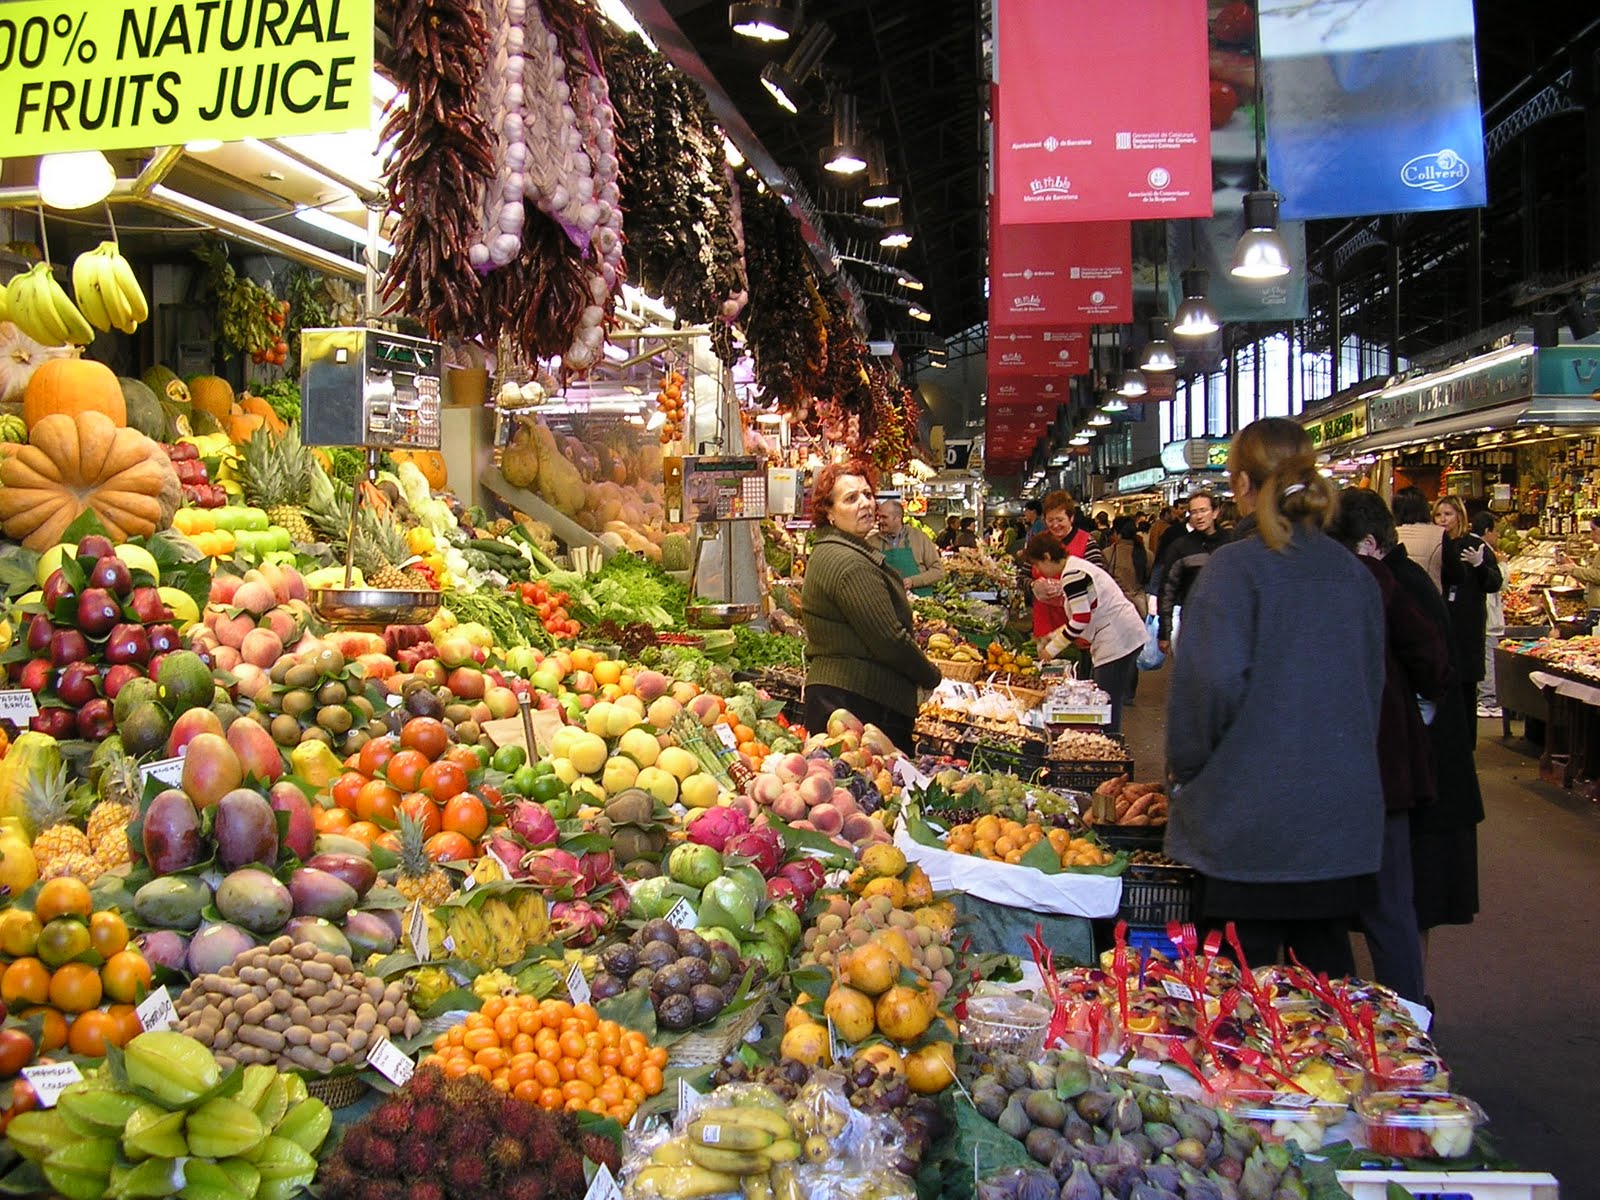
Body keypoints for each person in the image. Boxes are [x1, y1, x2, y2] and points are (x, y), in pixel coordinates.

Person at [1165, 418, 1385, 978]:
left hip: (1248, 828)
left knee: (1239, 1003)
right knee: (1328, 1001)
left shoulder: (1235, 569)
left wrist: (1187, 776)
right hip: (1338, 826)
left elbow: (1207, 689)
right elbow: (1371, 690)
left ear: (1240, 484)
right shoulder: (1353, 574)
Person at [1328, 490, 1453, 1003]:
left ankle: (1354, 1027)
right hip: (1387, 768)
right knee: (1388, 907)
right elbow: (1434, 663)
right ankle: (1408, 1025)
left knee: (1340, 905)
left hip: (1341, 766)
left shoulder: (1337, 584)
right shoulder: (1389, 582)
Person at [1385, 514, 1486, 979]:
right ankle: (1408, 1001)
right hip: (1421, 767)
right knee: (1405, 900)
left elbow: (1431, 670)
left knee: (1408, 898)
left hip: (1422, 772)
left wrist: (1415, 718)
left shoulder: (1396, 586)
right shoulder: (1402, 579)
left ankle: (1409, 1010)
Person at [801, 461, 942, 754]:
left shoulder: (841, 549)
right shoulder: (848, 562)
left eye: (867, 494)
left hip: (849, 697)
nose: (865, 503)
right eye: (851, 498)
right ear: (828, 511)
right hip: (856, 703)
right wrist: (930, 676)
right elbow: (889, 639)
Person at [1022, 533, 1145, 733]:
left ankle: (1108, 749)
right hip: (1121, 634)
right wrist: (1052, 636)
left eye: (1037, 564)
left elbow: (1081, 619)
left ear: (1046, 556)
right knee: (1108, 701)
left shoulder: (1073, 574)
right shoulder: (1075, 567)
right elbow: (1082, 612)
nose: (1037, 571)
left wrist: (1051, 649)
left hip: (1117, 639)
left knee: (1106, 704)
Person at [1434, 495, 1501, 746]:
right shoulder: (1435, 543)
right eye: (1439, 515)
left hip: (1468, 624)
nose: (1443, 520)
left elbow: (1494, 583)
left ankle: (1466, 743)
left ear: (1459, 516)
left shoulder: (1475, 545)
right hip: (1441, 621)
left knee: (1465, 684)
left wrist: (1480, 565)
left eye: (1448, 514)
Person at [1156, 491, 1231, 654]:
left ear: (1215, 512)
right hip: (1194, 622)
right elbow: (1167, 590)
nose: (1199, 516)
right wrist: (1164, 632)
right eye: (1194, 512)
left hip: (1229, 622)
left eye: (1203, 510)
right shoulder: (1181, 547)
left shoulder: (1230, 543)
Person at [871, 499, 945, 597]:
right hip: (886, 601)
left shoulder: (920, 538)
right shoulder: (872, 542)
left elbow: (938, 571)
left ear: (898, 518)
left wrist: (913, 581)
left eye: (884, 517)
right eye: (879, 517)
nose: (880, 521)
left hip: (920, 602)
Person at [1472, 511, 1505, 718]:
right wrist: (1503, 564)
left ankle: (1486, 698)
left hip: (1482, 613)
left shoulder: (1472, 546)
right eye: (1496, 532)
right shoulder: (1485, 551)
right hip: (1487, 615)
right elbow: (1498, 583)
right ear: (1487, 531)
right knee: (1488, 656)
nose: (1498, 537)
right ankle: (1488, 700)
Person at [1394, 487, 1445, 593]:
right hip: (1430, 599)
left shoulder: (1390, 533)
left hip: (1397, 599)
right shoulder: (1439, 534)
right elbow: (1457, 574)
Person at [1041, 490, 1105, 567]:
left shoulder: (1087, 543)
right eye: (1050, 520)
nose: (1055, 525)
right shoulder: (1039, 542)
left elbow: (1097, 575)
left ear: (1071, 518)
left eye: (1060, 520)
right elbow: (1024, 574)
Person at [1553, 515, 1600, 608]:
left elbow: (1598, 576)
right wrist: (1573, 568)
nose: (1591, 534)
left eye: (1593, 529)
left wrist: (1573, 570)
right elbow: (1591, 579)